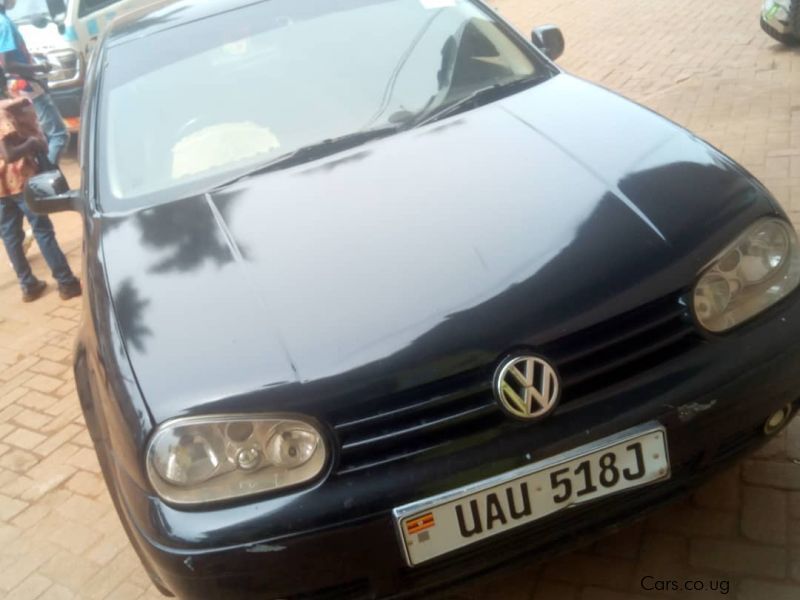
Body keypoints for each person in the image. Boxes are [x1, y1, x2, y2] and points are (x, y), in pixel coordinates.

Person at [0, 65, 80, 302]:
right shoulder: (3, 113)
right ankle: (67, 282)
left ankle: (28, 285)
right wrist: (33, 143)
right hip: (20, 181)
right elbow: (9, 153)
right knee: (42, 230)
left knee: (10, 236)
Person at [0, 0, 70, 166]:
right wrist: (39, 67)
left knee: (37, 134)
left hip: (17, 86)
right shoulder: (4, 24)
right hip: (26, 86)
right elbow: (9, 64)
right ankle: (47, 173)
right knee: (59, 134)